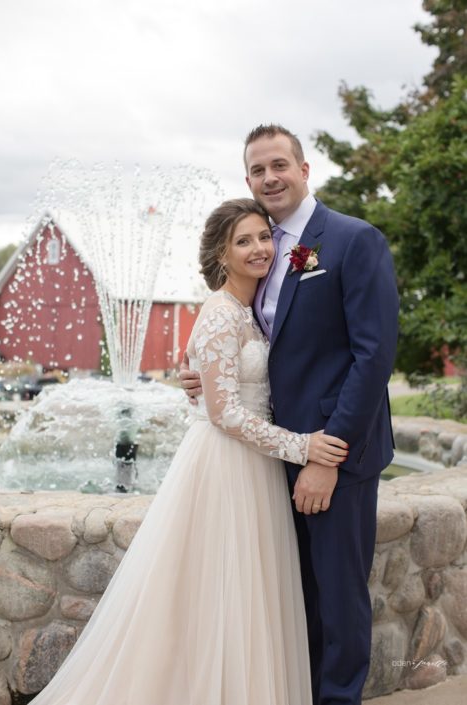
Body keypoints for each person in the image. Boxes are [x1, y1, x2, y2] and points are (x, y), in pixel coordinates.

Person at [27, 198, 349, 705]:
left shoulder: (253, 309)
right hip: (225, 466)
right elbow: (224, 414)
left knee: (247, 595)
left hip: (254, 467)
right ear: (222, 254)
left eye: (263, 237)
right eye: (243, 241)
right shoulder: (221, 314)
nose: (259, 248)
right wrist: (302, 446)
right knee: (215, 593)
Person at [180, 125, 399, 705]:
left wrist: (328, 455)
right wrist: (204, 374)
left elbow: (373, 356)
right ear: (248, 179)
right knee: (293, 596)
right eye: (258, 170)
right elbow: (256, 343)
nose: (270, 177)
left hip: (332, 455)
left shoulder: (354, 241)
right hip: (270, 454)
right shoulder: (267, 251)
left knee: (338, 593)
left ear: (305, 170)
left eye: (280, 165)